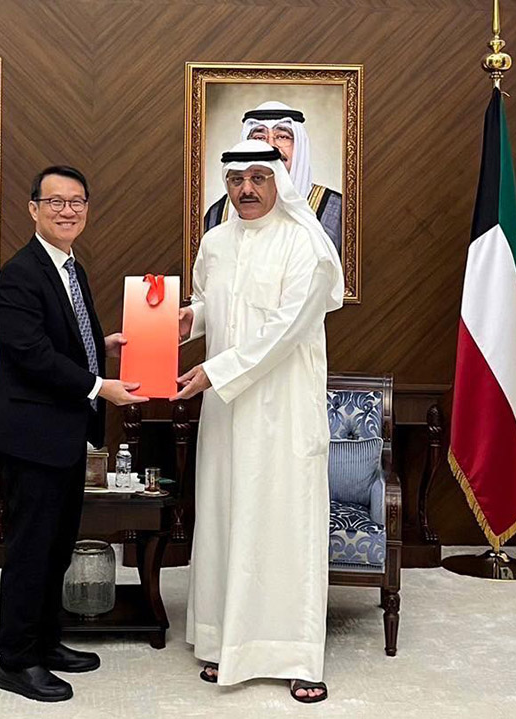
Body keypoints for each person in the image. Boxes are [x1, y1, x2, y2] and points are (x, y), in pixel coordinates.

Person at [174, 139, 344, 703]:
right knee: (225, 517)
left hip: (283, 412)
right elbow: (214, 305)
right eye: (236, 180)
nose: (245, 189)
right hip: (226, 412)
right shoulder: (215, 242)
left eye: (258, 178)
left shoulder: (307, 245)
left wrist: (214, 370)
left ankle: (296, 656)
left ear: (278, 181)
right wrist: (188, 321)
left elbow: (285, 329)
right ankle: (222, 642)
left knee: (284, 524)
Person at [0, 165, 148, 703]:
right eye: (55, 201)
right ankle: (16, 662)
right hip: (32, 437)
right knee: (30, 551)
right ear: (33, 209)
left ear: (86, 209)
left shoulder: (70, 267)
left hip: (62, 434)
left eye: (76, 201)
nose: (67, 210)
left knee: (56, 550)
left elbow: (61, 337)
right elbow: (30, 354)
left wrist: (102, 346)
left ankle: (45, 642)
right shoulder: (19, 273)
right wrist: (101, 385)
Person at [203, 100, 343, 256]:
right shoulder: (218, 214)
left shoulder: (338, 211)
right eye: (259, 137)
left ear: (299, 146)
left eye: (282, 136)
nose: (270, 145)